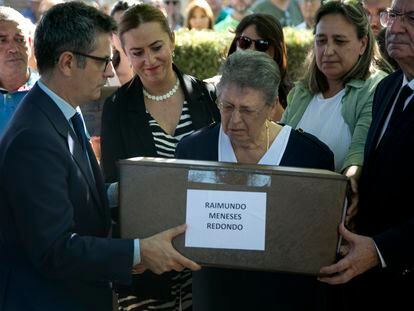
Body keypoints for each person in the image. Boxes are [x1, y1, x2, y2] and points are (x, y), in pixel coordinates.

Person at [0, 2, 200, 310]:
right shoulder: (34, 137)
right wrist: (139, 252)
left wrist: (137, 189)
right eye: (102, 61)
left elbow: (79, 198)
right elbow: (55, 249)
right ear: (67, 62)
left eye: (113, 59)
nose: (110, 72)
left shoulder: (60, 111)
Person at [176, 49, 334, 311]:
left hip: (289, 299)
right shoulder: (193, 151)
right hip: (216, 298)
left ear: (273, 107)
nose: (234, 120)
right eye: (227, 107)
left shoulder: (310, 156)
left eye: (247, 110)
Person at [100, 4, 220, 310]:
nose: (149, 60)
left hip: (204, 263)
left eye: (156, 47)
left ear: (172, 41)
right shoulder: (116, 108)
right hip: (147, 268)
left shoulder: (208, 96)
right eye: (137, 52)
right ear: (125, 53)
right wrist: (131, 257)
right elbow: (113, 186)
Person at [318, 0, 414, 309]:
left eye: (411, 18)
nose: (395, 28)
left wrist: (382, 249)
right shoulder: (388, 88)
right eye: (393, 15)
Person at [281, 1, 391, 226]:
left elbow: (359, 149)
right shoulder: (301, 91)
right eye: (321, 41)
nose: (328, 50)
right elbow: (276, 145)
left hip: (338, 224)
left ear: (363, 43)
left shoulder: (376, 88)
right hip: (287, 215)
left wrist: (350, 182)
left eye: (339, 41)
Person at [226, 13, 292, 120]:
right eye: (245, 42)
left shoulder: (293, 99)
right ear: (235, 45)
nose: (251, 51)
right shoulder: (216, 90)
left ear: (276, 52)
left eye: (262, 44)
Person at [0, 6, 39, 136]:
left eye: (19, 39)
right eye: (2, 40)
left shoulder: (52, 93)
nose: (13, 48)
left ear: (29, 43)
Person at [109, 0, 134, 86]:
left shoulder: (149, 68)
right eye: (116, 27)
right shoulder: (104, 72)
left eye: (127, 26)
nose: (121, 33)